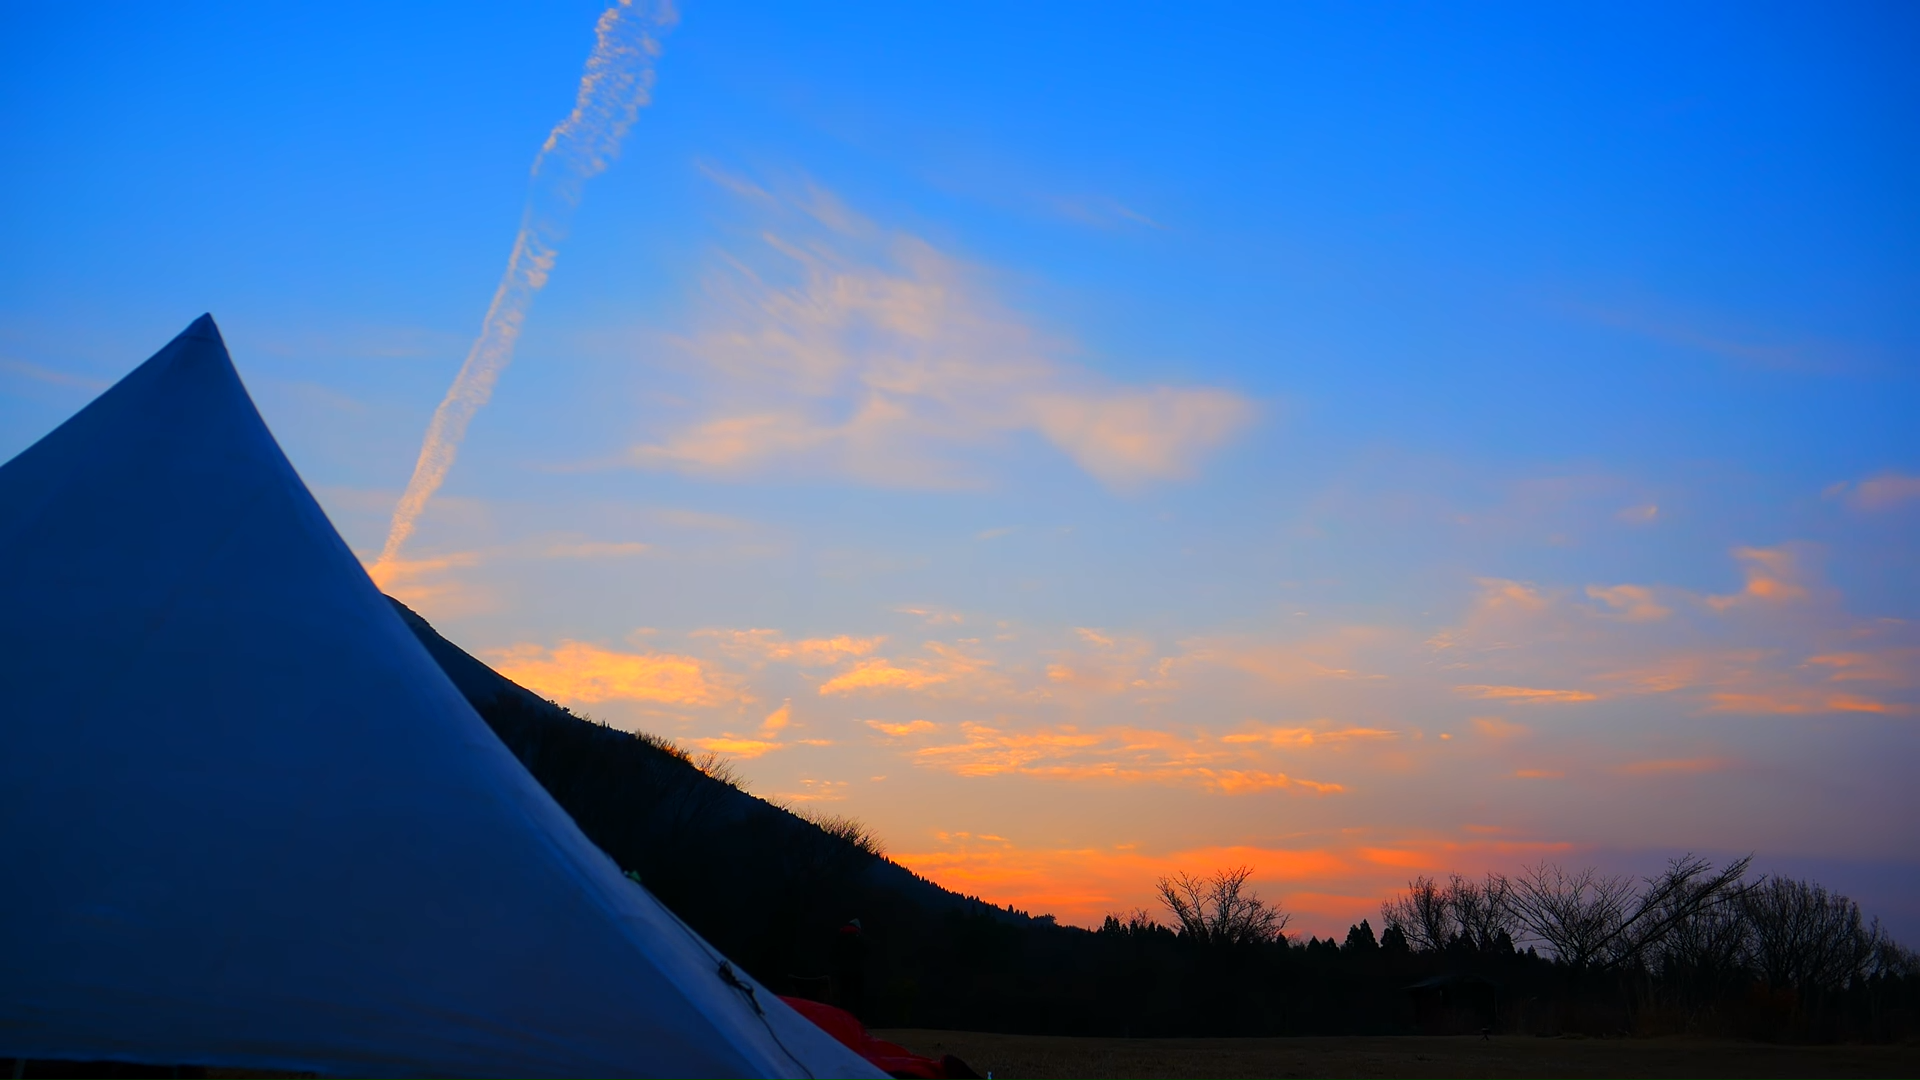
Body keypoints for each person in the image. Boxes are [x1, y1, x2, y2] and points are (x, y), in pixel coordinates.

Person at [830, 918, 869, 1020]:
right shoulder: (859, 937)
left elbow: (834, 953)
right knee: (858, 996)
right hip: (857, 971)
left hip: (843, 971)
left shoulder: (840, 936)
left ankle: (843, 1020)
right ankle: (859, 1021)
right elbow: (865, 951)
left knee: (844, 996)